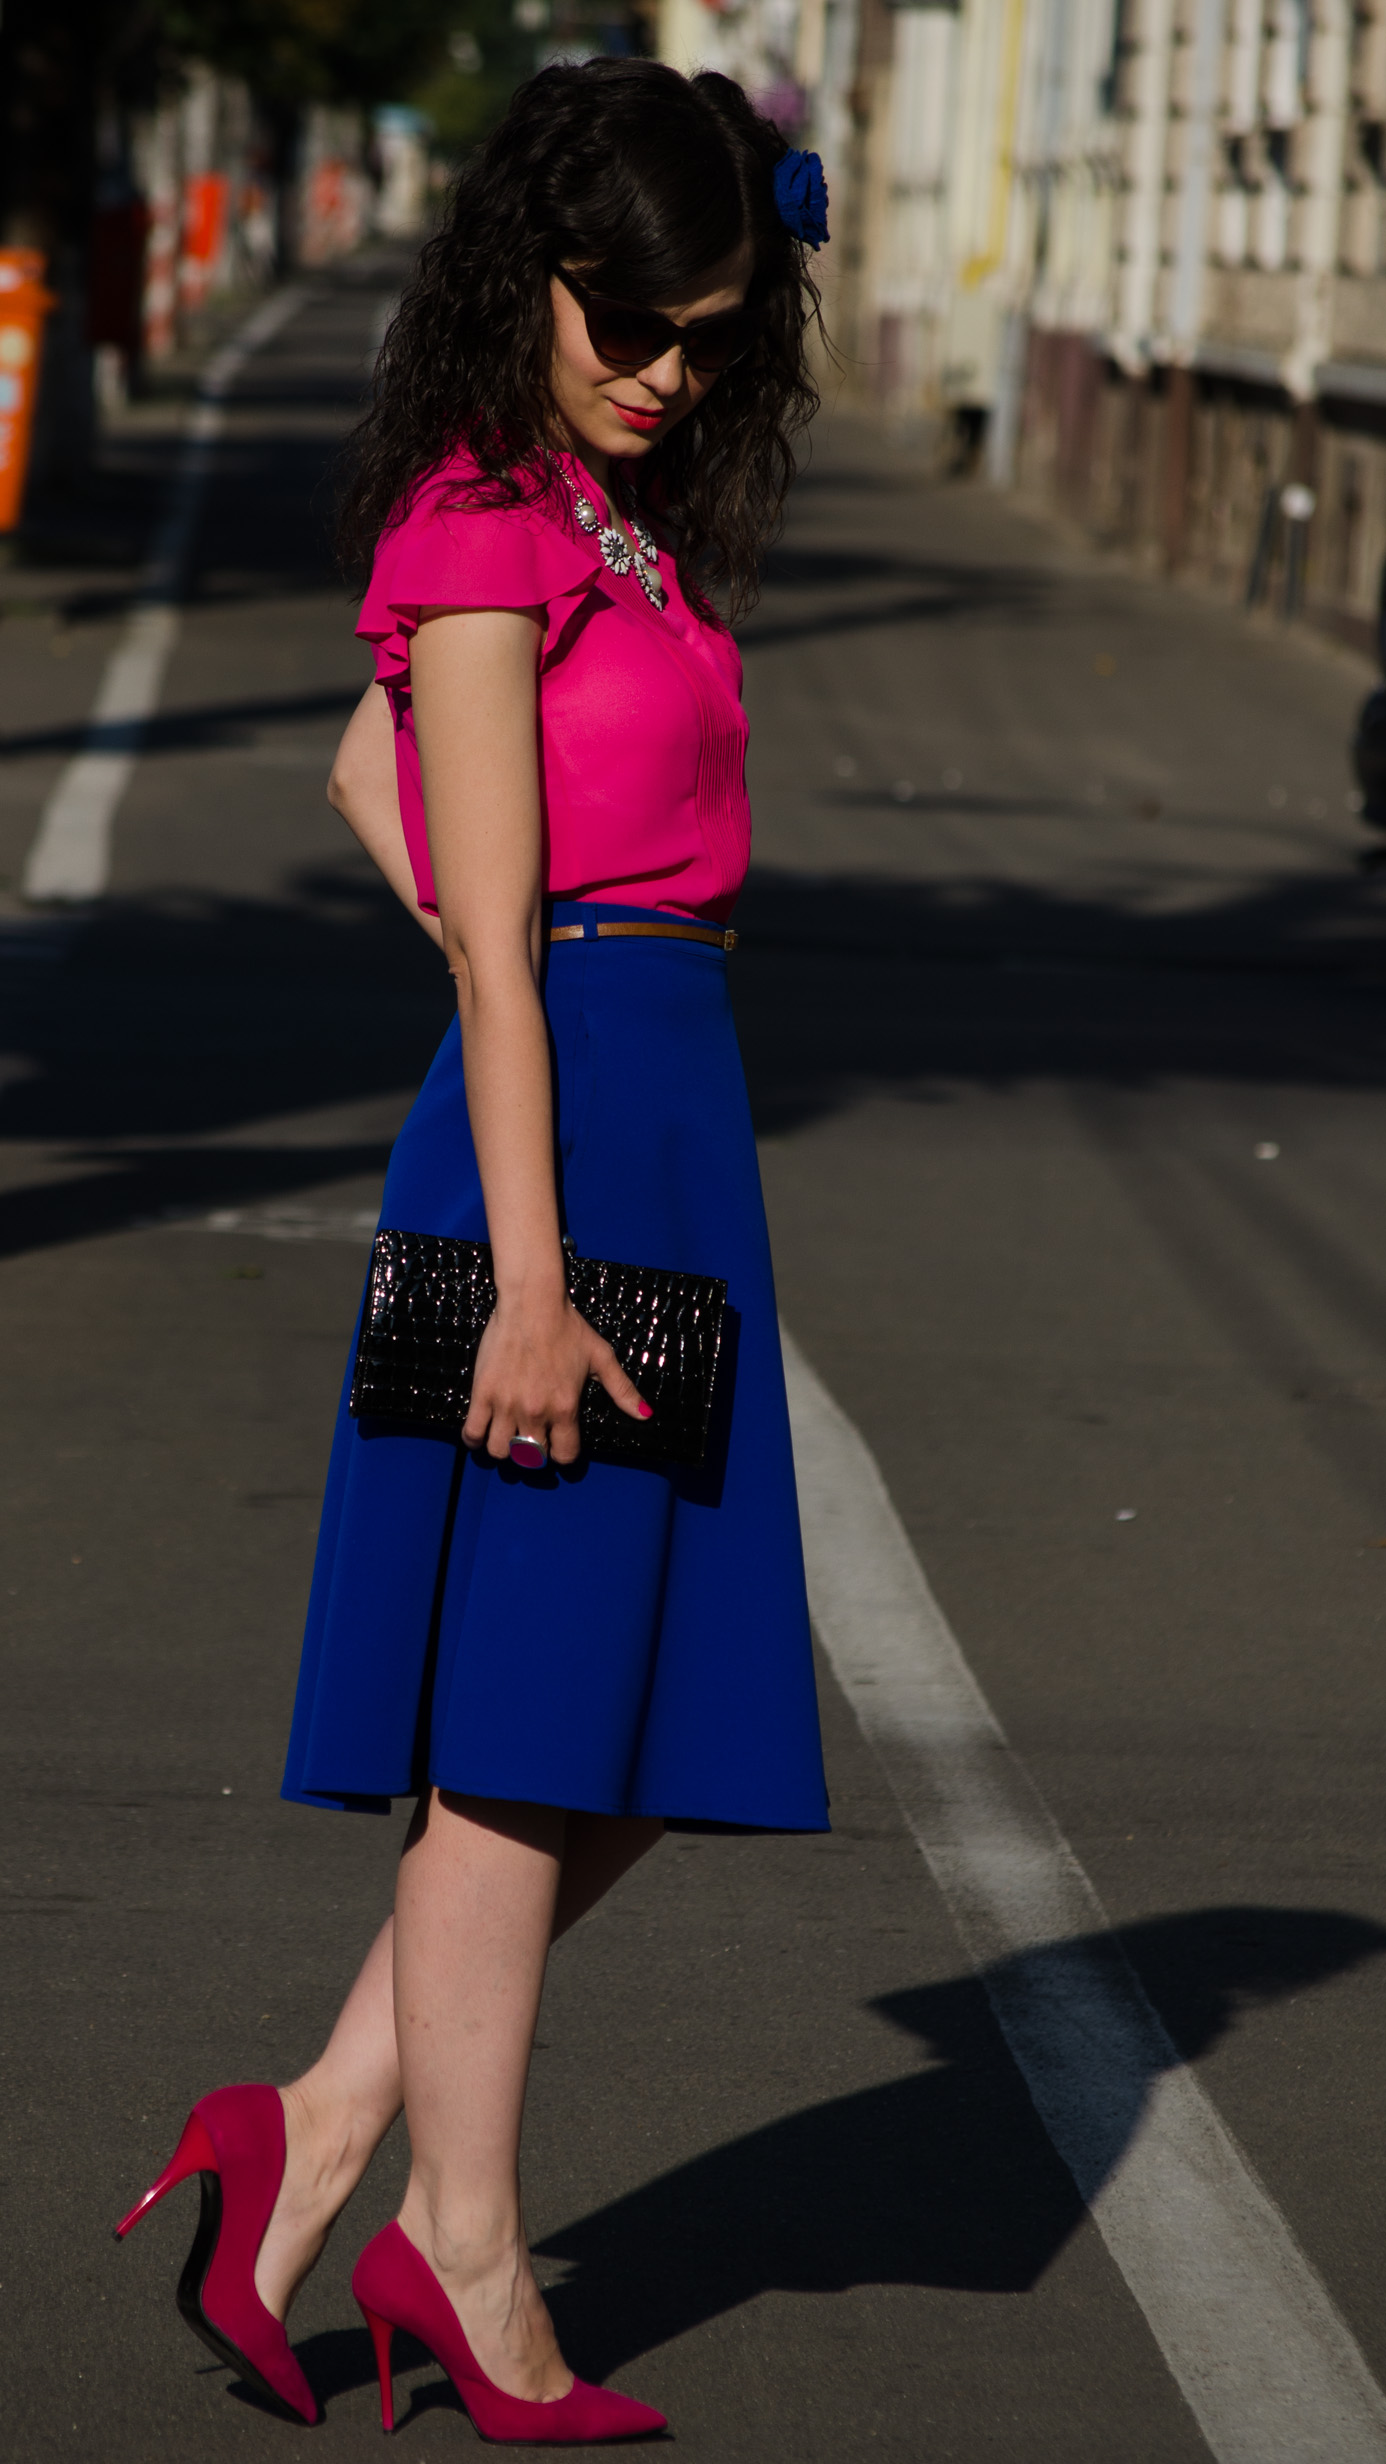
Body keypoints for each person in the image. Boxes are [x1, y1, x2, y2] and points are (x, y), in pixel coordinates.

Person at [115, 58, 831, 2444]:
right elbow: (502, 956)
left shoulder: (595, 515)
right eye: (626, 314)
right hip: (552, 1153)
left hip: (655, 1127)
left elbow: (361, 765)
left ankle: (313, 2132)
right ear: (522, 270)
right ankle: (469, 2245)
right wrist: (524, 1267)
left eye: (711, 326)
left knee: (628, 1725)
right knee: (530, 1724)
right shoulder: (478, 521)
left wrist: (521, 953)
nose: (665, 363)